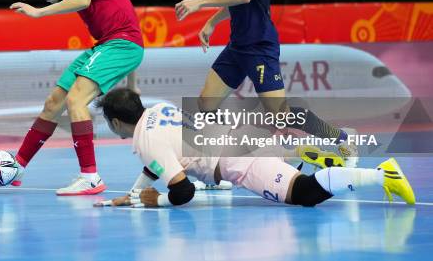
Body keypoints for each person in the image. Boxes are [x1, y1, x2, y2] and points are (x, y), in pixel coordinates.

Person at [174, 0, 359, 167]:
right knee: (205, 103)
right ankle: (212, 166)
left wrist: (199, 2)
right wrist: (213, 21)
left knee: (281, 116)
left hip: (259, 46)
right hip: (238, 47)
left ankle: (341, 137)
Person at [0, 0, 144, 195]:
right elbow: (125, 19)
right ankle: (18, 167)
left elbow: (85, 1)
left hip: (120, 46)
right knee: (54, 102)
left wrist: (38, 12)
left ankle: (90, 176)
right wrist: (132, 82)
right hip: (108, 47)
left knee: (76, 100)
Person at [94, 88, 416, 208]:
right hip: (242, 135)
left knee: (304, 195)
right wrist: (135, 195)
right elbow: (160, 163)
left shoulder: (146, 141)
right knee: (291, 173)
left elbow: (184, 193)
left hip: (239, 162)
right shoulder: (158, 110)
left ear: (115, 122)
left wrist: (154, 201)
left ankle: (381, 174)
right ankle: (309, 152)